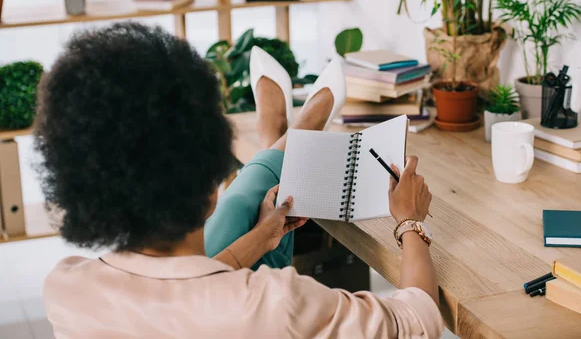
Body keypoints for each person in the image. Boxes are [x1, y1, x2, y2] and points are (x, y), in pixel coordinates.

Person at [38, 22, 443, 338]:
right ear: (212, 183)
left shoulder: (68, 290)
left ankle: (285, 133)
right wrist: (409, 222)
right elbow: (418, 321)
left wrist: (262, 238)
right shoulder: (271, 305)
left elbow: (178, 300)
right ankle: (295, 131)